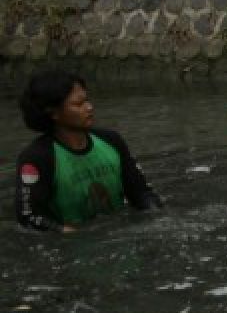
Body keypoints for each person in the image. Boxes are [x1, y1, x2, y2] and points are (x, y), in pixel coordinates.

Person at [14, 70, 162, 233]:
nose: (89, 107)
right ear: (53, 112)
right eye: (79, 104)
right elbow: (29, 216)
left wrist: (156, 216)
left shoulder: (111, 141)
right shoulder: (37, 157)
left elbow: (141, 193)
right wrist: (66, 232)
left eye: (87, 100)